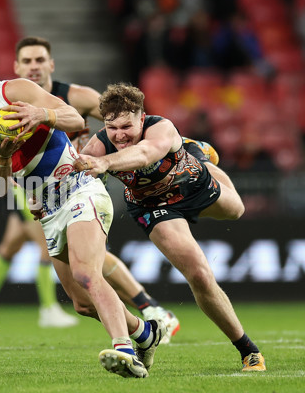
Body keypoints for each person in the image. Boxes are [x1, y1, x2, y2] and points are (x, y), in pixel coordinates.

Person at [0, 41, 166, 378]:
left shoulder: (16, 90)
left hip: (79, 187)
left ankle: (124, 350)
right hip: (46, 208)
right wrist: (3, 152)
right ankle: (144, 333)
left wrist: (40, 113)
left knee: (86, 272)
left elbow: (74, 117)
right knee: (82, 303)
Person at [74, 82, 266, 372]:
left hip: (193, 184)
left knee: (236, 211)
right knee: (200, 275)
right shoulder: (98, 146)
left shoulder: (160, 127)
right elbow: (83, 181)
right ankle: (248, 350)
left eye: (127, 126)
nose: (120, 135)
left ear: (141, 118)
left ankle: (196, 154)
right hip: (153, 207)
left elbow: (144, 154)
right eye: (112, 128)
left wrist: (104, 163)